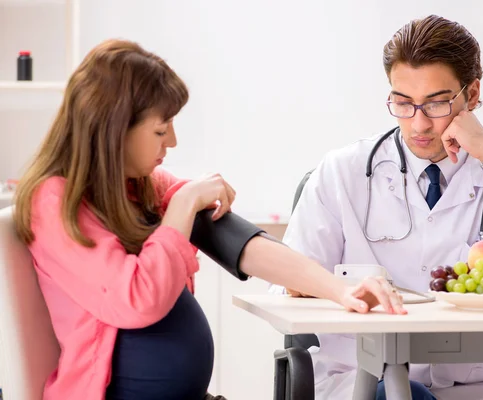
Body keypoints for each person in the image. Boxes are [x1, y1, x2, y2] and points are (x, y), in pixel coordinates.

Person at [12, 39, 407, 400]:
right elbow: (135, 299)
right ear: (113, 130)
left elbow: (240, 244)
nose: (172, 142)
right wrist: (183, 204)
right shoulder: (55, 202)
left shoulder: (138, 187)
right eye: (161, 129)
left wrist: (339, 290)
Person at [273, 15, 483, 400]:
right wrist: (331, 287)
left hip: (477, 389)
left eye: (437, 103)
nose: (418, 124)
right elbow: (288, 283)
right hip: (360, 384)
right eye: (403, 103)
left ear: (472, 95)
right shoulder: (343, 174)